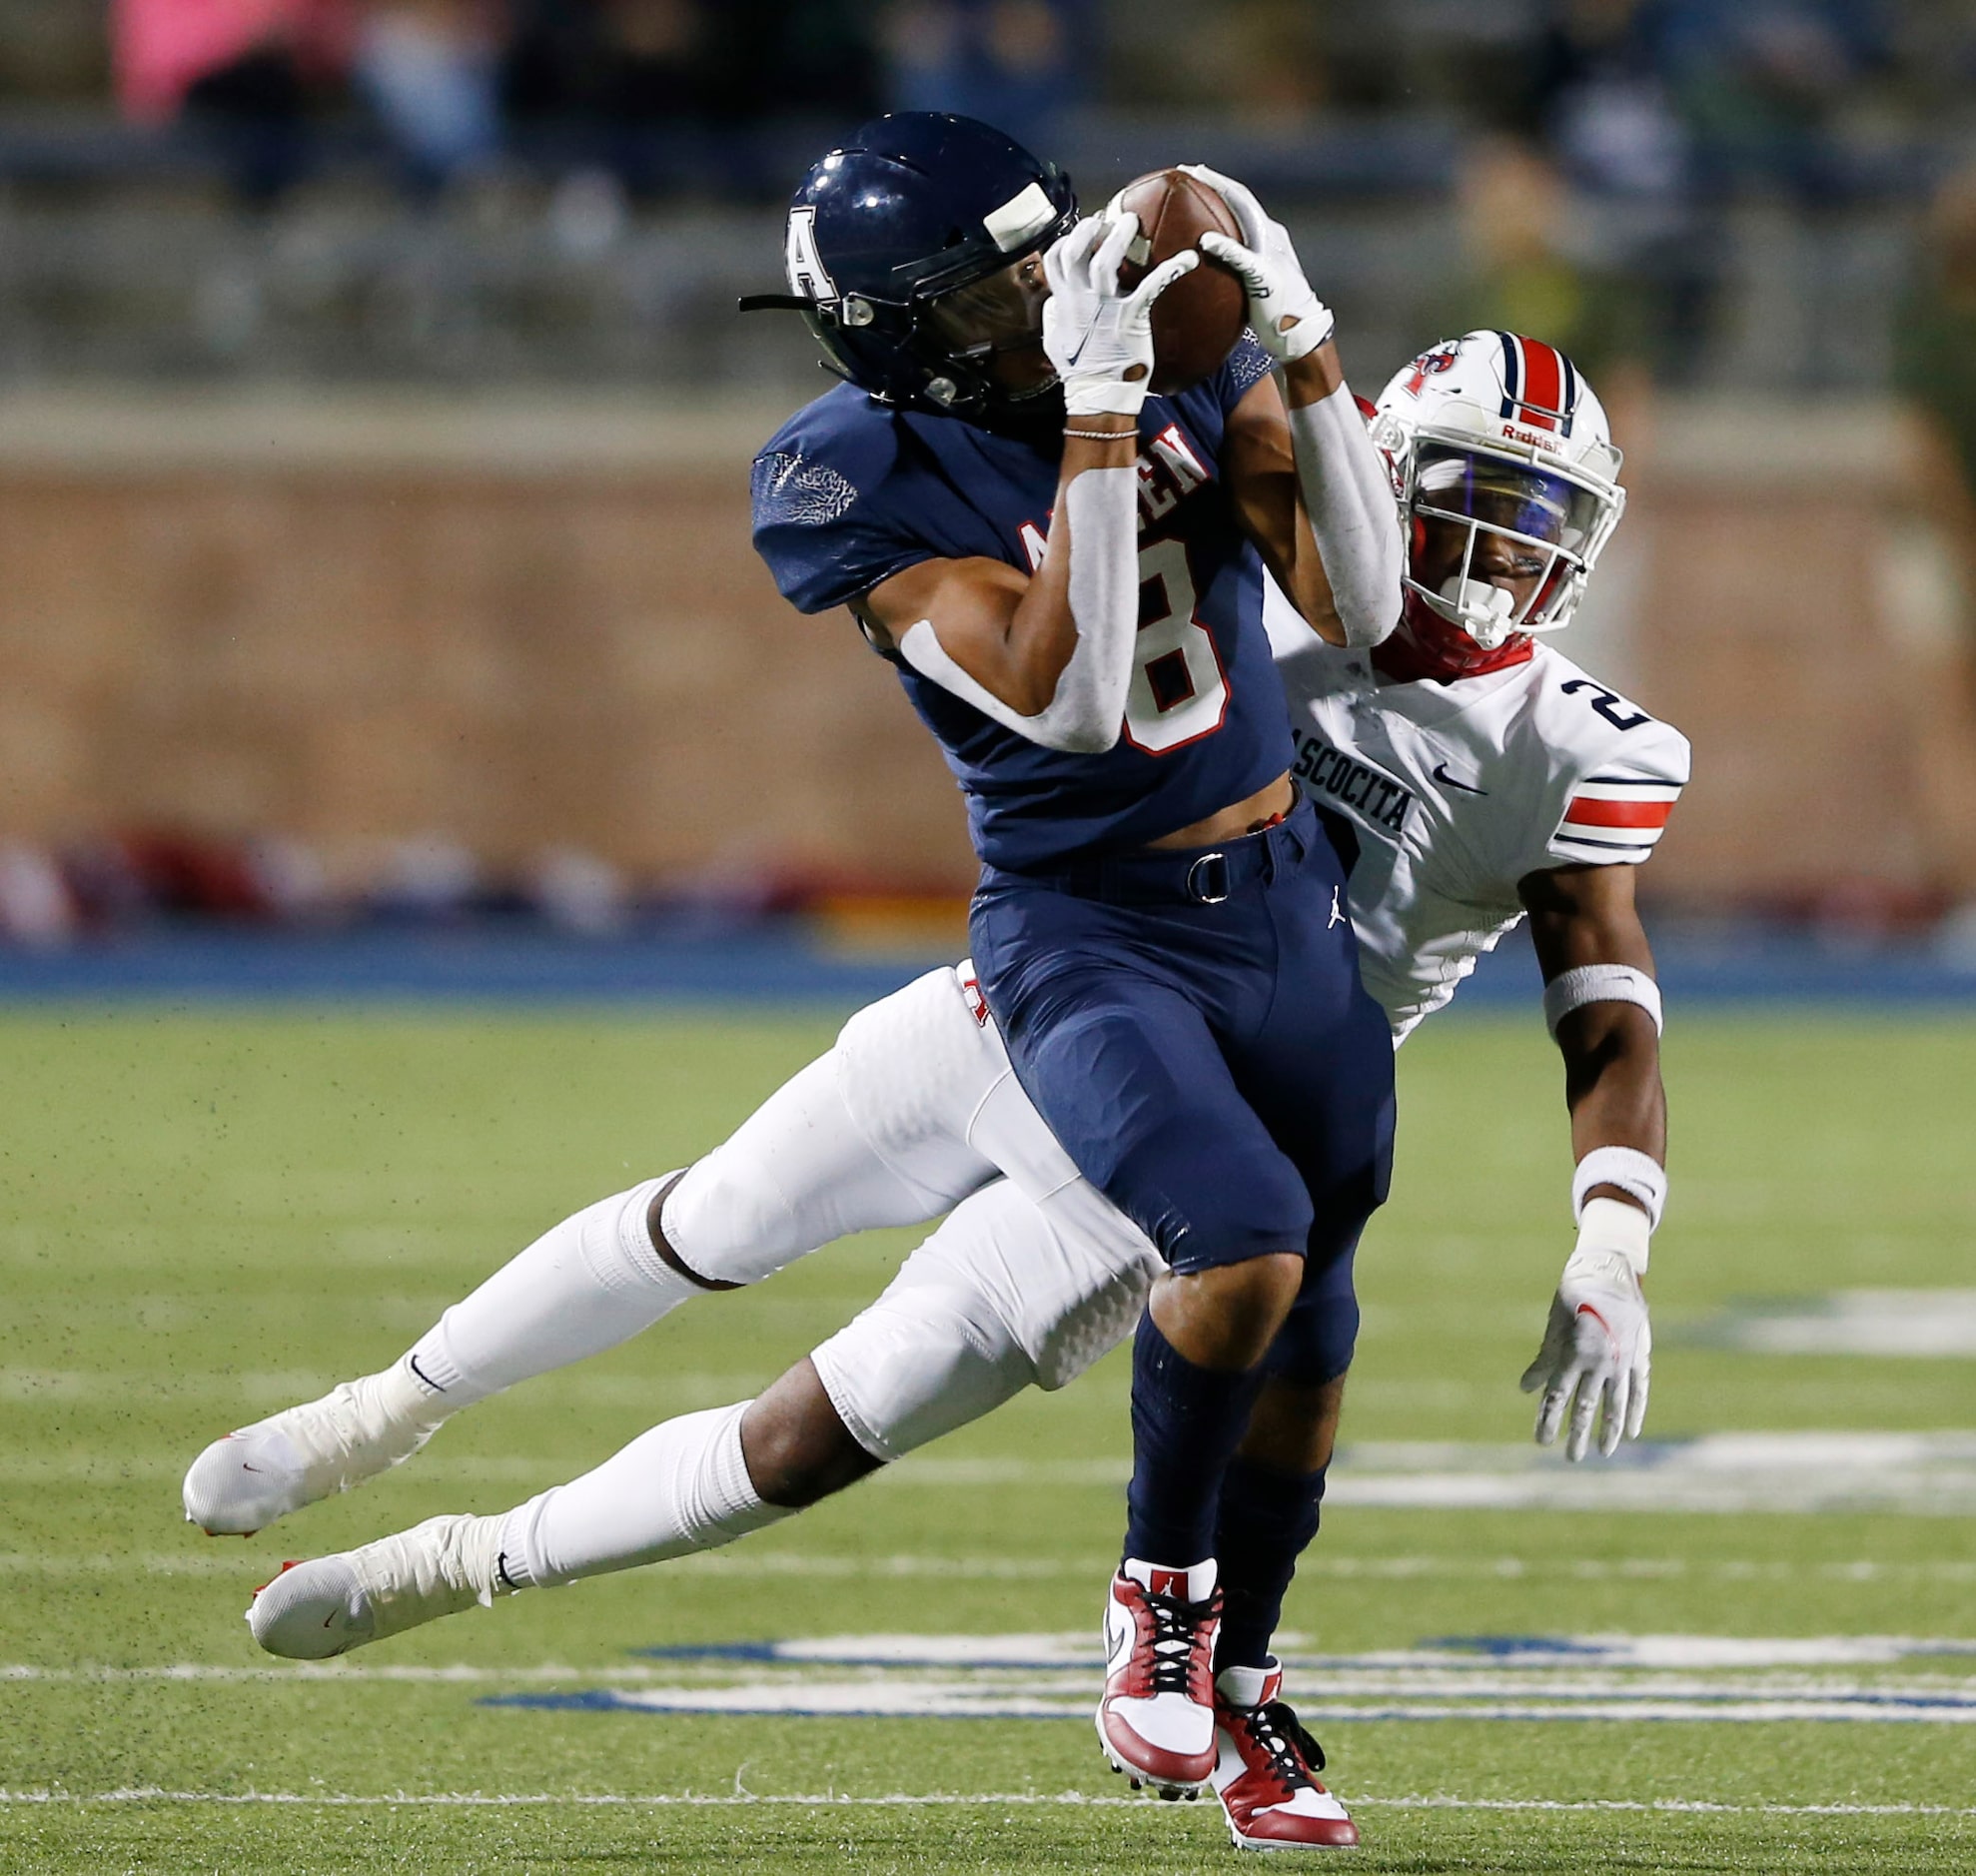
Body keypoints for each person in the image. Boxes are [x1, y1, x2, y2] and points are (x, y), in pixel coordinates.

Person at [189, 325, 1687, 1851]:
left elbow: (1603, 1002)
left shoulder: (1568, 741)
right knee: (707, 1214)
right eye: (1471, 507)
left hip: (1189, 1135)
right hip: (1044, 989)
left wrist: (1609, 1242)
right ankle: (372, 1415)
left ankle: (451, 1564)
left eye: (1536, 527)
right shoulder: (1258, 558)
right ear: (1366, 472)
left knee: (812, 1436)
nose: (1498, 560)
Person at [743, 113, 1402, 1798]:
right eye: (991, 297)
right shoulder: (850, 474)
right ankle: (1153, 1600)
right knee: (1236, 1237)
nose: (1042, 305)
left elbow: (1362, 603)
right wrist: (1105, 417)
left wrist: (1307, 345)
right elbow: (1072, 697)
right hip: (1088, 929)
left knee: (1314, 1331)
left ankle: (1239, 1674)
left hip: (1278, 897)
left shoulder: (1155, 343)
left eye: (1045, 262)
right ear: (895, 337)